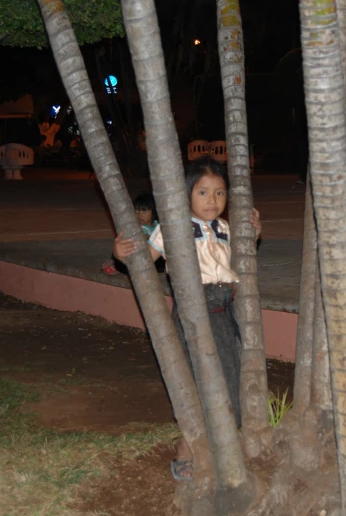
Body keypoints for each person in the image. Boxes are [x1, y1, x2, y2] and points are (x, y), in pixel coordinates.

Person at [112, 157, 262, 481]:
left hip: (227, 308)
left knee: (228, 378)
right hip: (197, 309)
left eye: (220, 194)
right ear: (186, 195)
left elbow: (240, 257)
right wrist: (121, 253)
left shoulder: (224, 228)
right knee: (201, 381)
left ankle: (222, 448)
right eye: (204, 193)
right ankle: (187, 451)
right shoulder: (175, 228)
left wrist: (253, 233)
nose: (213, 201)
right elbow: (144, 257)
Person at [102, 192, 164, 275]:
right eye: (136, 210)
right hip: (136, 254)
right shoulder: (135, 227)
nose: (139, 214)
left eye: (144, 210)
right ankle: (115, 263)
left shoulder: (158, 225)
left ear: (154, 212)